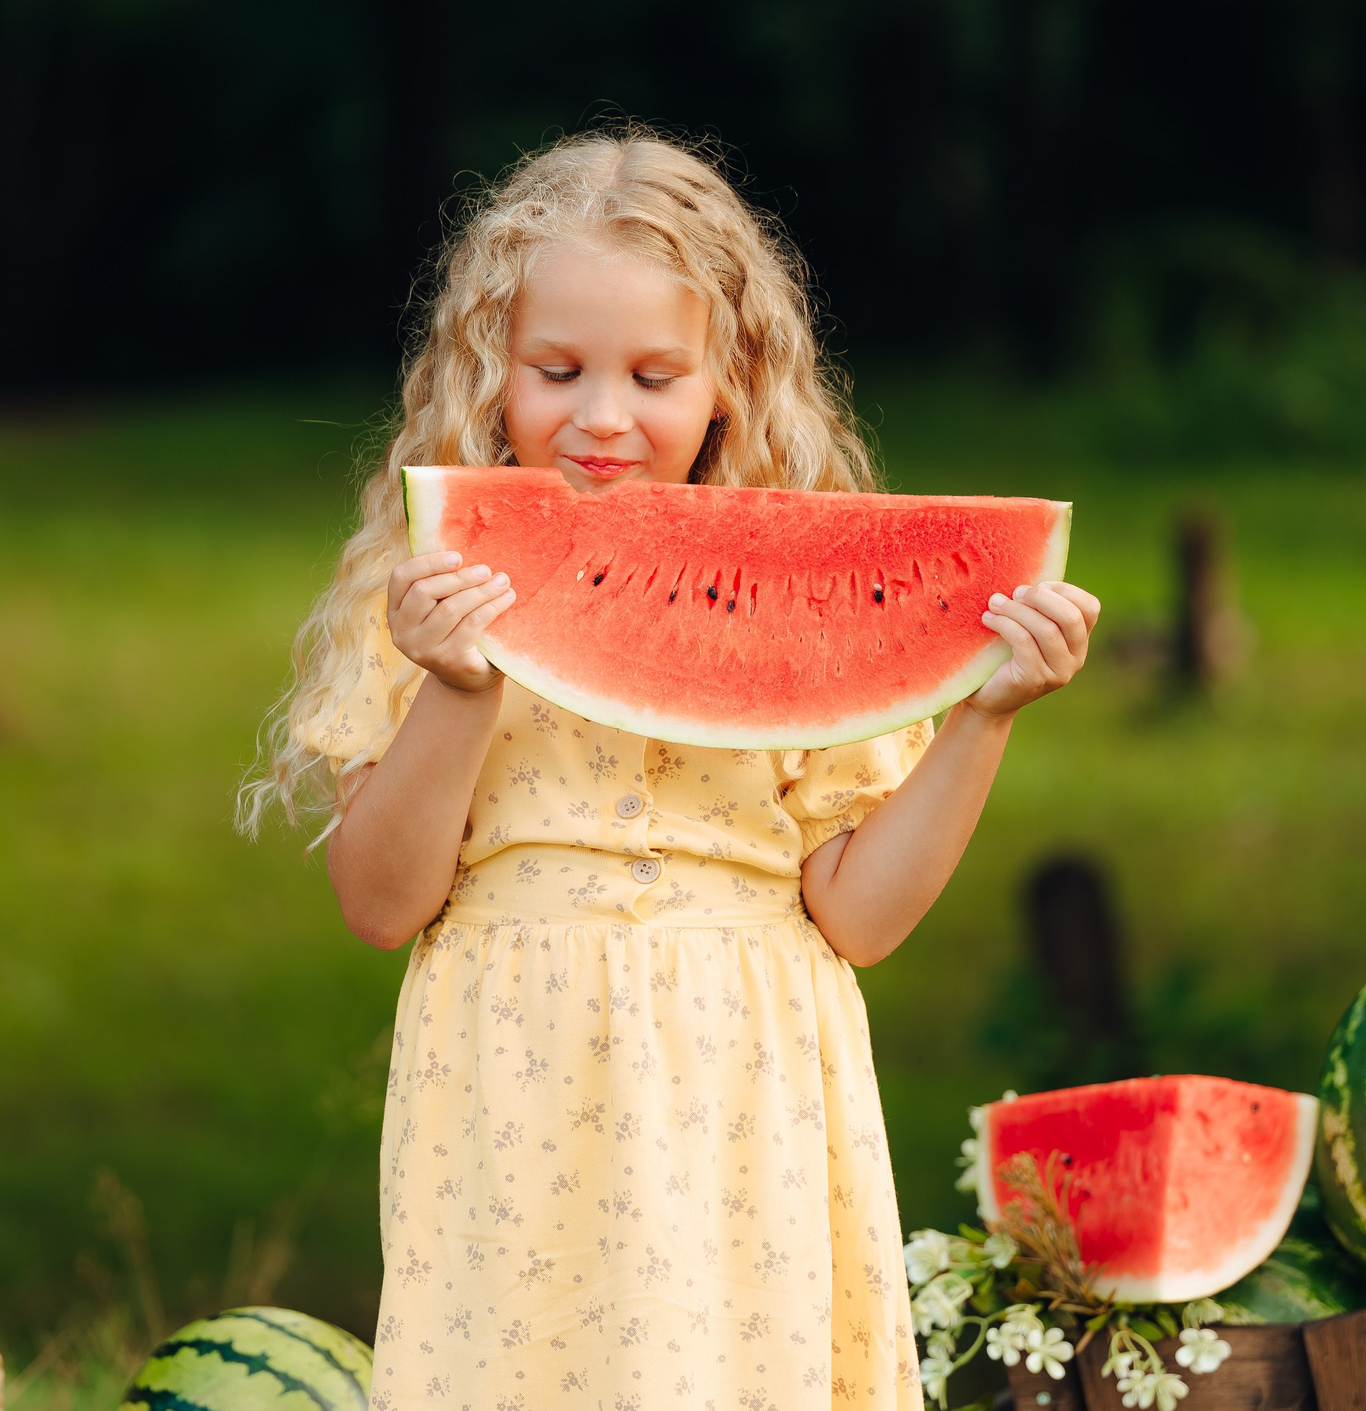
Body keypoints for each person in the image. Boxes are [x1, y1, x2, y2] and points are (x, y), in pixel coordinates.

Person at [242, 131, 1099, 1411]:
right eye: (555, 371)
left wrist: (982, 717)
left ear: (728, 386)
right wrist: (458, 689)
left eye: (652, 375)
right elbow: (378, 903)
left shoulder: (808, 607)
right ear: (491, 377)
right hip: (510, 1082)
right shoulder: (423, 600)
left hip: (749, 1080)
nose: (600, 418)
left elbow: (858, 919)